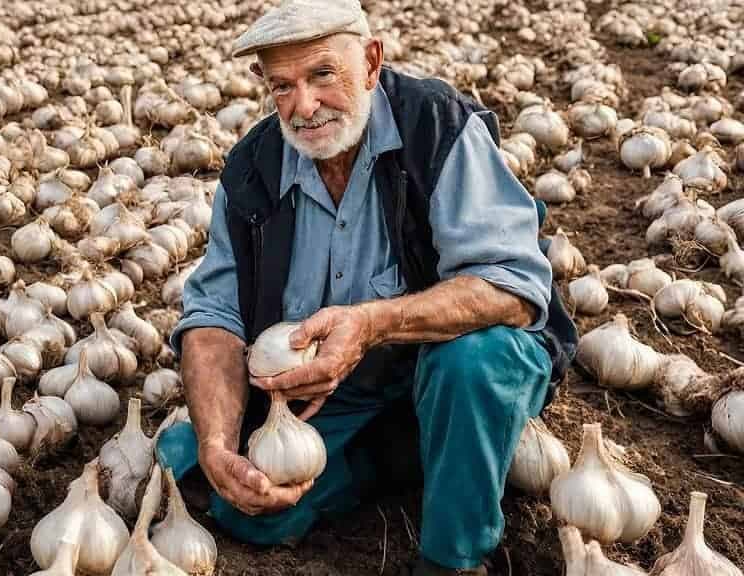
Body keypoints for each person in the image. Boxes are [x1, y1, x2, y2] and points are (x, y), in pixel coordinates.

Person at [155, 0, 577, 574]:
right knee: (247, 507)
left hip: (453, 364)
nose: (304, 106)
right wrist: (216, 444)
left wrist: (371, 323)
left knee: (471, 361)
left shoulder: (436, 128)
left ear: (372, 62)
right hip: (341, 393)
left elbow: (514, 288)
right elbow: (213, 319)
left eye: (322, 74)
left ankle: (453, 556)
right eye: (282, 86)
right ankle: (401, 458)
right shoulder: (252, 170)